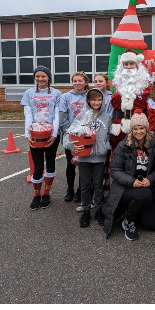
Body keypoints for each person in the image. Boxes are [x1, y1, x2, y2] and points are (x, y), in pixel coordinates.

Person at [104, 112, 155, 241]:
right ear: (131, 130)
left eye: (141, 128)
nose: (139, 131)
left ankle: (134, 210)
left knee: (152, 224)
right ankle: (128, 221)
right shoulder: (123, 145)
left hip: (145, 185)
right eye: (135, 128)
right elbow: (114, 170)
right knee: (144, 195)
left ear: (146, 128)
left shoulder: (154, 144)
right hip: (125, 188)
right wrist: (132, 182)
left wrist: (150, 179)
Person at [62, 88, 111, 228]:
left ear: (102, 101)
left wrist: (105, 146)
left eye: (99, 99)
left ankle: (99, 210)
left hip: (100, 157)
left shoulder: (106, 117)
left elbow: (108, 136)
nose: (96, 102)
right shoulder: (82, 116)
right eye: (93, 99)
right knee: (84, 185)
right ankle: (86, 211)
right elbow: (68, 134)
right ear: (88, 101)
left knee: (98, 185)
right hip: (84, 157)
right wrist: (72, 146)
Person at [21, 66, 64, 210]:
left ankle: (46, 194)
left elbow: (57, 114)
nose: (40, 79)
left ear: (49, 77)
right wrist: (28, 134)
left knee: (50, 163)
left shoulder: (57, 93)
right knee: (38, 167)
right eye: (38, 76)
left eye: (43, 76)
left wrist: (54, 133)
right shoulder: (28, 93)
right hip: (36, 135)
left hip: (51, 134)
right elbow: (28, 114)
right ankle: (36, 194)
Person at [59, 72, 91, 203]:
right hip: (71, 136)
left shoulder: (90, 95)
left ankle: (81, 189)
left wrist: (85, 132)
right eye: (75, 81)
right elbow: (62, 115)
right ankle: (70, 189)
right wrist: (70, 132)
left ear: (85, 82)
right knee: (70, 164)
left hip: (86, 136)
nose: (77, 83)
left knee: (84, 165)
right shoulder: (66, 96)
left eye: (80, 81)